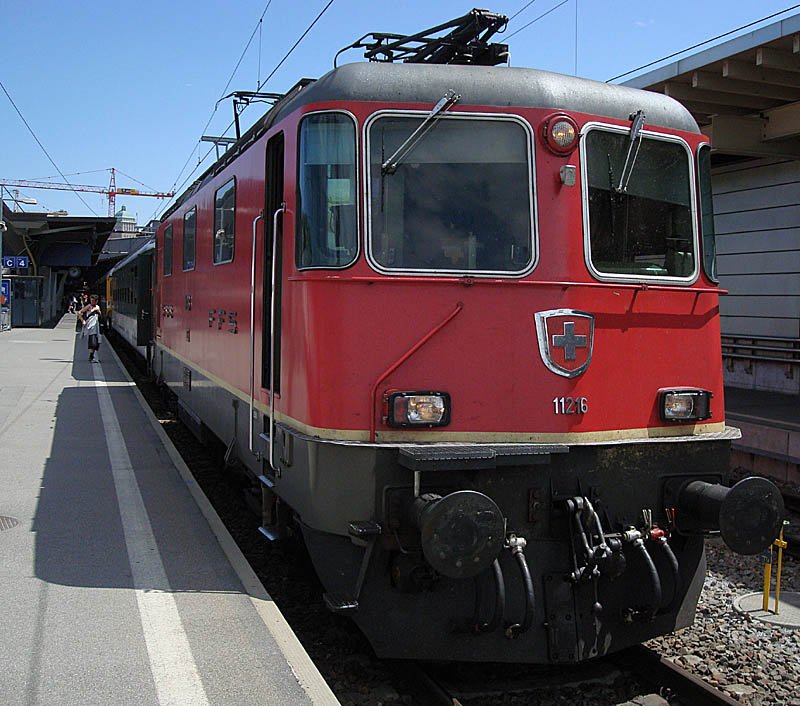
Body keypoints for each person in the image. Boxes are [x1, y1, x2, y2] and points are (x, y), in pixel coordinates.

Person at [78, 294, 102, 362]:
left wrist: (98, 311)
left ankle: (92, 356)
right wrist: (83, 321)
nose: (92, 302)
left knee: (97, 342)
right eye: (91, 300)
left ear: (96, 301)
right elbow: (79, 312)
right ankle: (92, 356)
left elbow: (99, 316)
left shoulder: (98, 307)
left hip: (96, 327)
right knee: (92, 342)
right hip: (90, 327)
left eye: (93, 301)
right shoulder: (89, 306)